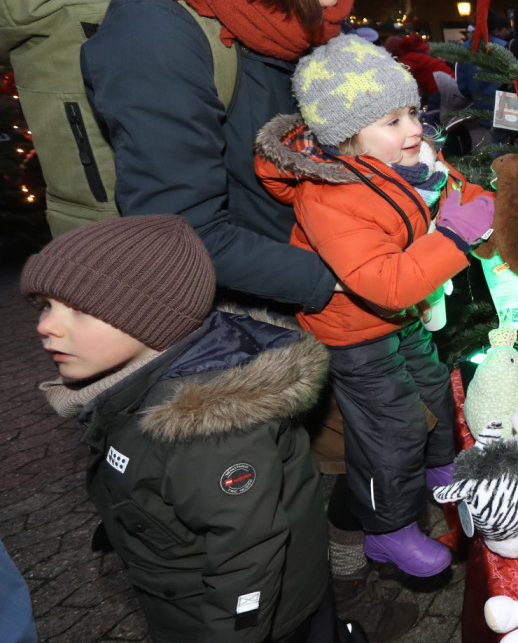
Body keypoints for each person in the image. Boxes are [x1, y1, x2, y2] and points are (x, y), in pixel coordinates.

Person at [253, 34, 514, 578]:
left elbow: (458, 192)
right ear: (347, 136)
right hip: (353, 333)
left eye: (412, 113)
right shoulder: (328, 195)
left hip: (404, 316)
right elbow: (386, 284)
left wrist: (499, 215)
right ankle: (387, 530)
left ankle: (441, 472)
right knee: (391, 428)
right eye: (393, 121)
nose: (414, 129)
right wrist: (456, 238)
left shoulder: (408, 163)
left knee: (434, 386)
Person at [22, 215, 338, 642]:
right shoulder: (126, 383)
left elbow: (246, 559)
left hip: (241, 619)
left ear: (152, 316)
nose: (45, 326)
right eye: (45, 304)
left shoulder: (209, 434)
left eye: (78, 309)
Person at [82, 0, 360, 313]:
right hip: (251, 315)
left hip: (323, 274)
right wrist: (356, 280)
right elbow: (180, 231)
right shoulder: (155, 28)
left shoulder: (306, 17)